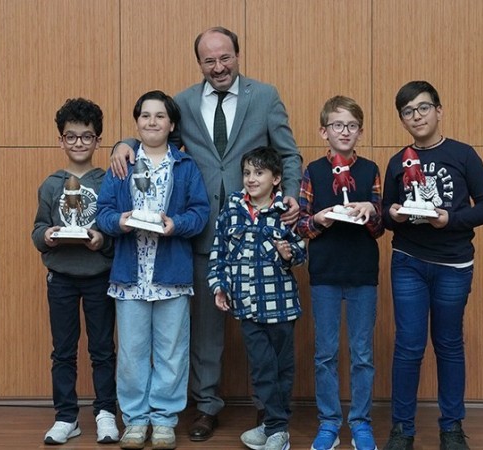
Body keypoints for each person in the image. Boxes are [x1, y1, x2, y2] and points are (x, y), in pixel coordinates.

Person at [110, 26, 302, 441]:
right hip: (202, 234)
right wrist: (123, 143)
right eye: (209, 60)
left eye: (225, 57)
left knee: (265, 327)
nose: (218, 67)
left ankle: (269, 411)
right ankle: (207, 405)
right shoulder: (182, 102)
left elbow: (288, 153)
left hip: (259, 236)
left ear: (238, 55)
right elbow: (156, 133)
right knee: (205, 332)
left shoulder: (264, 96)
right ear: (199, 63)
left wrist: (291, 194)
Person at [381, 81, 483, 450]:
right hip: (408, 262)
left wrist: (451, 219)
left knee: (448, 345)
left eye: (423, 107)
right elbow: (385, 214)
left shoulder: (463, 155)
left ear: (439, 111)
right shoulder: (397, 161)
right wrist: (393, 214)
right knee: (408, 346)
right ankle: (402, 430)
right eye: (408, 111)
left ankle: (451, 428)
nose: (416, 116)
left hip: (454, 265)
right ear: (402, 120)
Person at [96, 90, 209, 450]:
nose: (152, 122)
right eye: (145, 115)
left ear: (172, 124)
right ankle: (135, 419)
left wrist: (177, 225)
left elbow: (200, 213)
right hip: (130, 276)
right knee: (131, 353)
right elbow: (103, 212)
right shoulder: (122, 163)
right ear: (137, 122)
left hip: (171, 275)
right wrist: (120, 221)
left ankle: (163, 419)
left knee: (171, 352)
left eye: (160, 116)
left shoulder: (185, 166)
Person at [296, 96, 385, 450]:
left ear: (360, 132)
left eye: (351, 126)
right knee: (326, 354)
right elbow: (302, 225)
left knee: (362, 354)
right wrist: (320, 219)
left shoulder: (370, 169)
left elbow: (379, 228)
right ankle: (329, 423)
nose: (344, 132)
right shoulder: (314, 171)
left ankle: (361, 423)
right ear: (324, 132)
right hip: (325, 275)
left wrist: (370, 211)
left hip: (362, 273)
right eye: (337, 125)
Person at [32, 98, 119, 445]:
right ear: (61, 141)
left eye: (87, 136)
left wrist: (102, 240)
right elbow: (38, 229)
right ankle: (66, 416)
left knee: (103, 349)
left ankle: (106, 412)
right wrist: (47, 236)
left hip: (99, 277)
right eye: (71, 136)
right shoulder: (51, 184)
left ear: (98, 140)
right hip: (62, 278)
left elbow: (115, 231)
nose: (79, 142)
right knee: (63, 350)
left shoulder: (109, 182)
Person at [207, 146, 306, 450]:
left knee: (281, 368)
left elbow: (300, 250)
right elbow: (218, 253)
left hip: (281, 307)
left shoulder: (285, 212)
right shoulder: (231, 209)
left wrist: (289, 254)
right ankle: (275, 426)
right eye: (247, 172)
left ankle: (275, 427)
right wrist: (219, 286)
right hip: (247, 307)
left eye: (259, 173)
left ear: (276, 178)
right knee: (262, 367)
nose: (251, 178)